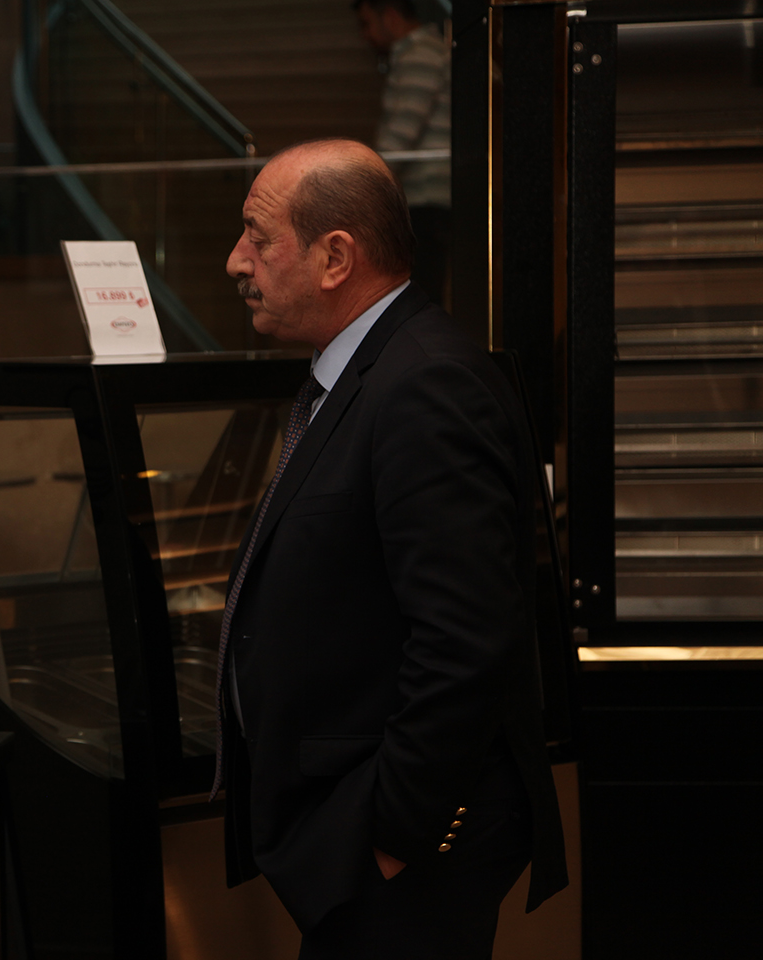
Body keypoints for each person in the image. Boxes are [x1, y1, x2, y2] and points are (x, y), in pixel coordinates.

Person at [215, 139, 566, 958]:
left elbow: (464, 644)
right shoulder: (362, 373)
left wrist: (391, 836)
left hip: (400, 849)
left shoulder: (425, 384)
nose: (237, 261)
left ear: (336, 257)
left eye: (259, 238)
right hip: (348, 830)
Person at [355, 0, 451, 306]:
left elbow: (400, 135)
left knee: (418, 297)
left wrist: (360, 189)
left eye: (367, 23)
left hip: (426, 200)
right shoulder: (424, 51)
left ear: (391, 16)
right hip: (428, 199)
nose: (366, 35)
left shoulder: (420, 55)